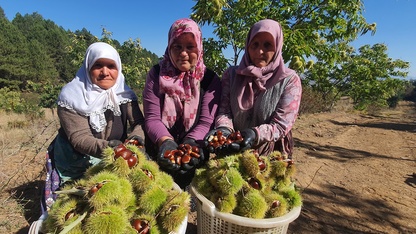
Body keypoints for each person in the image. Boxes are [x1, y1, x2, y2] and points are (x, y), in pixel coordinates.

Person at [49, 42, 145, 186]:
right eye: (98, 65)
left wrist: (136, 138)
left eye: (111, 66)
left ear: (118, 69)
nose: (105, 72)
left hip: (116, 158)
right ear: (88, 67)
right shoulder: (71, 96)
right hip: (77, 161)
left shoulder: (124, 94)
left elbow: (139, 122)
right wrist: (110, 149)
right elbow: (79, 138)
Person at [204, 19, 302, 158]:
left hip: (269, 152)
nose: (259, 51)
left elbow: (281, 125)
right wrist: (224, 130)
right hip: (233, 147)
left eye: (267, 45)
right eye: (254, 44)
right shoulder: (231, 75)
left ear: (278, 47)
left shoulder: (289, 80)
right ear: (247, 46)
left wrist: (255, 134)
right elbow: (224, 111)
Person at [142, 18, 222, 188]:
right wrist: (165, 142)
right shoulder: (156, 75)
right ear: (169, 47)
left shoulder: (209, 79)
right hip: (159, 148)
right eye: (177, 47)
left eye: (190, 47)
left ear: (199, 47)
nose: (183, 53)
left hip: (194, 151)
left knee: (187, 196)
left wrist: (191, 143)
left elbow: (207, 121)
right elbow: (152, 118)